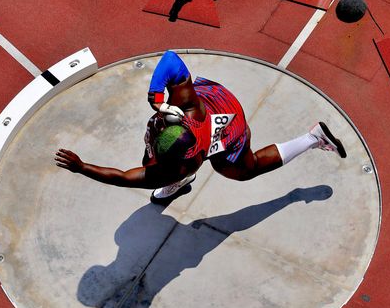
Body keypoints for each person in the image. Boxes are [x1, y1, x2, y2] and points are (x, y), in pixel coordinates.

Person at [55, 51, 346, 202]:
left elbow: (122, 178)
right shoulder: (185, 108)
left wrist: (83, 168)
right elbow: (171, 60)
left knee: (244, 169)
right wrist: (155, 96)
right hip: (210, 104)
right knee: (150, 162)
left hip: (229, 121)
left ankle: (312, 137)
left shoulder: (180, 165)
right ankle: (177, 186)